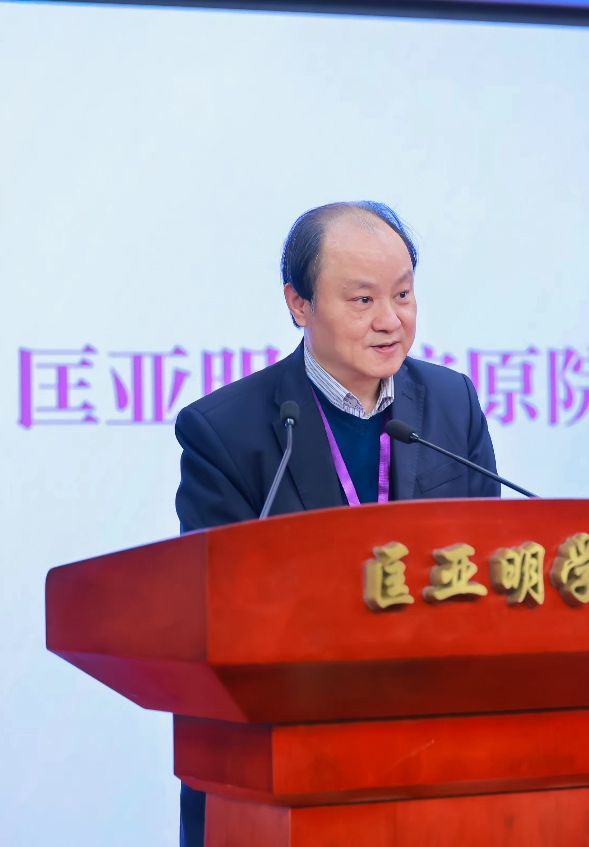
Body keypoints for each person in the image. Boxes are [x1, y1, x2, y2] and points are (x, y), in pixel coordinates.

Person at [172, 201, 500, 846]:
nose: (390, 321)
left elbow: (491, 567)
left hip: (437, 756)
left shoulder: (452, 403)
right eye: (362, 300)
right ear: (299, 304)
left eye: (403, 294)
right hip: (285, 766)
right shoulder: (225, 432)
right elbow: (213, 611)